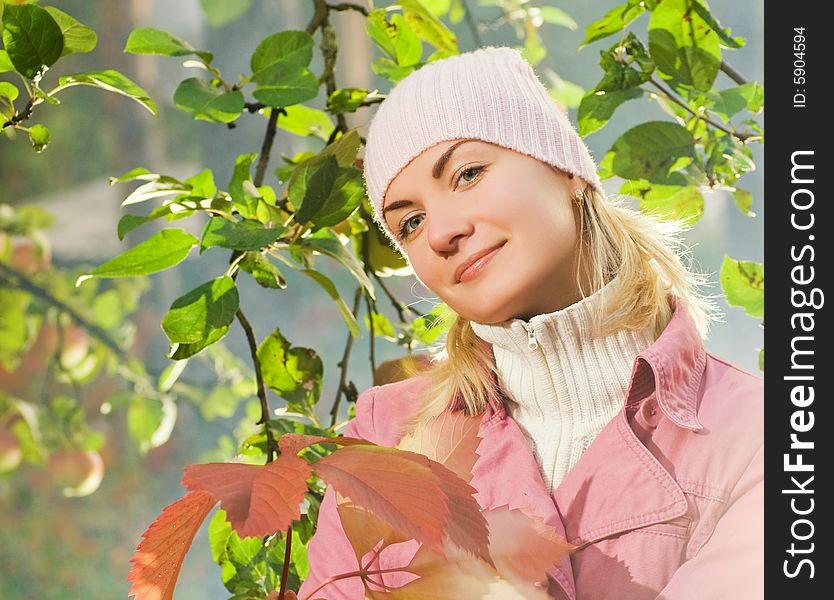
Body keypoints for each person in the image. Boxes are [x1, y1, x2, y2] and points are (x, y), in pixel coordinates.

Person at [297, 46, 763, 600]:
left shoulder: (754, 437)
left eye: (468, 173)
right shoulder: (386, 436)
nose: (441, 232)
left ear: (565, 168)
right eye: (411, 222)